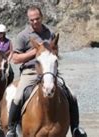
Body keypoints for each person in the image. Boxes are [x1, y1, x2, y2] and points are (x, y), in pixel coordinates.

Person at [6, 6, 86, 137]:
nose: (35, 22)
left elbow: (54, 53)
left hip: (49, 70)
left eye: (37, 18)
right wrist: (35, 51)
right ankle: (11, 129)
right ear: (28, 20)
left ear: (41, 17)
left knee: (72, 93)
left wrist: (50, 54)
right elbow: (15, 59)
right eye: (32, 20)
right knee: (19, 95)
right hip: (30, 71)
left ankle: (76, 128)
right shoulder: (23, 36)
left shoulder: (50, 34)